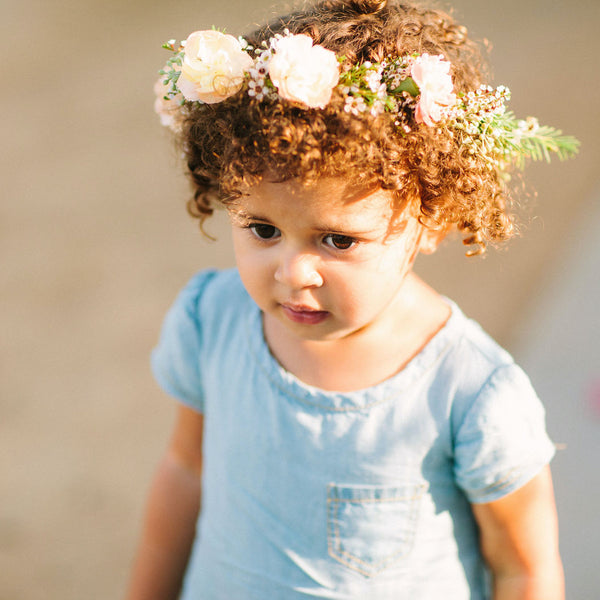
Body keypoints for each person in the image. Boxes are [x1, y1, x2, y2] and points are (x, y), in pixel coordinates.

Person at [126, 1, 578, 598]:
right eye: (262, 229)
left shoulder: (471, 393)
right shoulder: (212, 320)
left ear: (432, 217)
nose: (294, 273)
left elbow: (523, 568)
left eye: (338, 239)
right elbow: (187, 467)